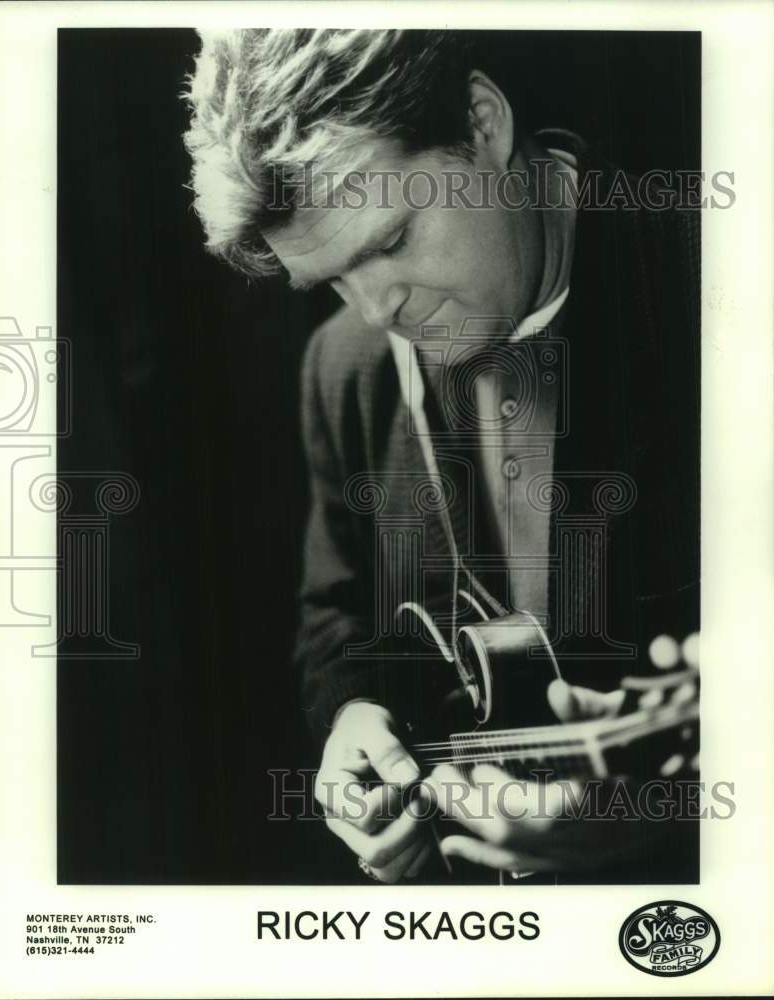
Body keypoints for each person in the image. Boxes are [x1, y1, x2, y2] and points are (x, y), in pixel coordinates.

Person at [184, 28, 700, 884]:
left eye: (389, 242)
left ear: (483, 121)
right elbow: (336, 611)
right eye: (336, 280)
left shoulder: (723, 292)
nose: (380, 311)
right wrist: (350, 717)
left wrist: (683, 816)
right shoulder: (342, 367)